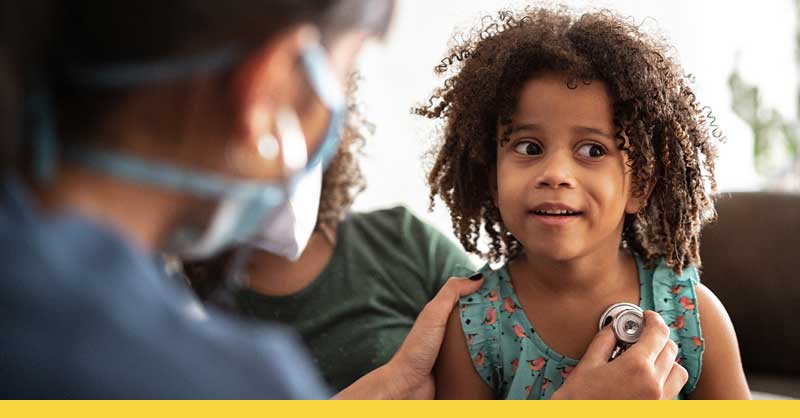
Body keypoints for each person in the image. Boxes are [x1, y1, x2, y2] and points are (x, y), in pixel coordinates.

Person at [0, 0, 695, 400]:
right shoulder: (217, 377)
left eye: (592, 149)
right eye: (347, 66)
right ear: (268, 88)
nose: (557, 175)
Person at [419, 7, 751, 399]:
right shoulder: (473, 328)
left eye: (593, 150)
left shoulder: (694, 317)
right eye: (529, 147)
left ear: (639, 185)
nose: (555, 172)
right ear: (493, 180)